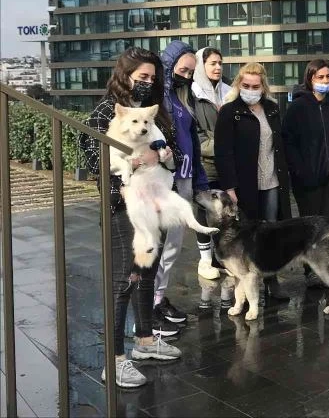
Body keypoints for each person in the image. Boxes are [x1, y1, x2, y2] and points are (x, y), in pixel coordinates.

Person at [79, 48, 181, 389]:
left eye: (152, 78)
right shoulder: (106, 112)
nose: (147, 83)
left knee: (147, 274)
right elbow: (97, 163)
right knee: (125, 280)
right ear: (125, 76)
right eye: (142, 77)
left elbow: (175, 152)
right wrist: (143, 159)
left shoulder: (156, 113)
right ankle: (115, 359)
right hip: (124, 208)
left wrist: (162, 156)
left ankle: (146, 340)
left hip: (156, 205)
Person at [215, 63, 293, 300]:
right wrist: (230, 186)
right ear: (239, 85)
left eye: (255, 86)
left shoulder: (271, 108)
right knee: (247, 234)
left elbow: (279, 144)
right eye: (246, 85)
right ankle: (245, 285)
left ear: (263, 86)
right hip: (244, 184)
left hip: (271, 180)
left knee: (270, 231)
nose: (250, 89)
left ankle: (271, 280)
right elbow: (223, 151)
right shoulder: (230, 111)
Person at [283, 59, 329, 286]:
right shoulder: (298, 108)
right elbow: (289, 143)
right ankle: (311, 270)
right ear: (310, 79)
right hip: (309, 178)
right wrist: (300, 171)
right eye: (319, 77)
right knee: (311, 227)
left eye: (327, 77)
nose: (324, 81)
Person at [155, 41, 210, 324]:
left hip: (184, 180)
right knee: (158, 247)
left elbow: (194, 147)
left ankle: (159, 297)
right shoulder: (159, 100)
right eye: (183, 70)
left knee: (173, 247)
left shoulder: (182, 97)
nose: (187, 76)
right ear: (169, 66)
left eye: (191, 72)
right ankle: (152, 302)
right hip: (165, 183)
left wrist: (199, 184)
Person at [191, 47, 231, 284]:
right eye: (212, 63)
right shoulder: (194, 95)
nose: (217, 67)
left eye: (220, 63)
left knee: (224, 210)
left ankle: (221, 256)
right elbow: (197, 135)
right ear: (201, 66)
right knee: (205, 212)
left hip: (227, 164)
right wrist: (225, 146)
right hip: (206, 163)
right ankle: (205, 259)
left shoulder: (227, 91)